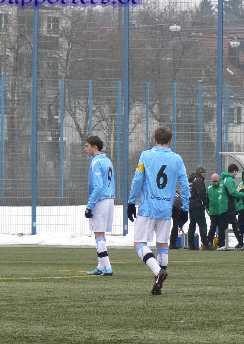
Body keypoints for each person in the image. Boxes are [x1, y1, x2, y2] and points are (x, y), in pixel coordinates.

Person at [127, 126, 190, 295]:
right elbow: (184, 184)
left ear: (154, 140)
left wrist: (131, 201)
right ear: (170, 141)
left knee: (139, 243)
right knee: (162, 244)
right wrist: (185, 208)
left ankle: (158, 272)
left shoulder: (146, 156)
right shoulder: (177, 159)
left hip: (148, 207)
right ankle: (159, 284)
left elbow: (138, 179)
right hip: (166, 208)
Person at [84, 135, 115, 276]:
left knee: (98, 234)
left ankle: (108, 267)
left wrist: (90, 206)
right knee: (101, 233)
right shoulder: (107, 160)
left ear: (94, 147)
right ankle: (100, 266)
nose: (85, 149)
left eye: (87, 146)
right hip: (110, 199)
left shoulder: (96, 162)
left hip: (100, 201)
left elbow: (98, 187)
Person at [217, 164, 244, 250]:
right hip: (228, 206)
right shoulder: (230, 179)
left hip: (223, 206)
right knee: (235, 224)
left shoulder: (223, 179)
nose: (236, 174)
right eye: (236, 172)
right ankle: (241, 243)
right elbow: (232, 192)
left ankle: (220, 245)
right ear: (234, 171)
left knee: (223, 226)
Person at [188, 166, 212, 250]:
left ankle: (191, 244)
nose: (205, 174)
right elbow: (201, 192)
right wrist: (204, 202)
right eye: (203, 172)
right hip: (197, 205)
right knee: (202, 225)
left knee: (192, 225)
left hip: (191, 204)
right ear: (200, 173)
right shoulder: (199, 180)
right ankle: (206, 243)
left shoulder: (191, 181)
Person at [206, 173, 222, 247]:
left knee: (221, 228)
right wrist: (208, 210)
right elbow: (206, 200)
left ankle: (221, 243)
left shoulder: (222, 187)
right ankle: (209, 242)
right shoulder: (209, 188)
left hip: (221, 212)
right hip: (213, 212)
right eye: (214, 181)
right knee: (212, 228)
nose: (215, 183)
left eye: (216, 181)